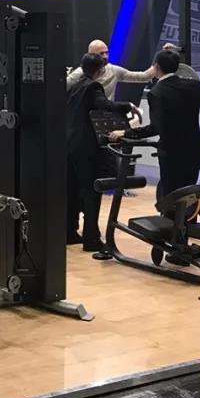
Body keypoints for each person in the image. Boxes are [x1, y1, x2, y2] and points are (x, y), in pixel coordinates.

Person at [110, 50, 200, 204]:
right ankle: (188, 220)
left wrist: (125, 132)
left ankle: (170, 220)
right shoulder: (193, 85)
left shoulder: (157, 92)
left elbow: (155, 128)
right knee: (189, 195)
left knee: (171, 196)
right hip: (192, 150)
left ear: (156, 67)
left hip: (171, 153)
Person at [66, 52, 139, 251]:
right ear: (100, 70)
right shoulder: (93, 86)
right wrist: (128, 106)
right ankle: (91, 239)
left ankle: (69, 232)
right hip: (85, 147)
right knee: (91, 192)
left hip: (70, 144)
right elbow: (105, 104)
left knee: (72, 190)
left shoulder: (74, 85)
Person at [66, 39, 176, 99]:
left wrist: (162, 55)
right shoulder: (79, 74)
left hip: (106, 116)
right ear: (91, 55)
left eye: (106, 52)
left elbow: (143, 76)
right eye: (101, 53)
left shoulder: (114, 70)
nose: (105, 56)